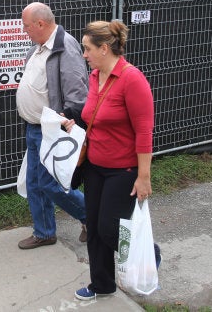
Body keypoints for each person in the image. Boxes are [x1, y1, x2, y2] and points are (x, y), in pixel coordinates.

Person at [62, 20, 160, 301]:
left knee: (109, 228)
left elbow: (144, 131)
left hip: (123, 170)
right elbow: (94, 117)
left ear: (104, 48)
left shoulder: (132, 79)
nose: (84, 54)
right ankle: (101, 284)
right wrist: (75, 125)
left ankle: (148, 256)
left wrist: (143, 176)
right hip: (95, 166)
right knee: (93, 227)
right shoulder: (95, 77)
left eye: (87, 48)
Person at [16, 2, 88, 249]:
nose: (24, 30)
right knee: (35, 183)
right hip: (34, 127)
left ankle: (91, 217)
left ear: (40, 23)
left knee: (49, 184)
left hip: (52, 129)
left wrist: (63, 118)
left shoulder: (65, 46)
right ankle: (44, 232)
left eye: (26, 25)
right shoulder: (38, 47)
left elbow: (78, 91)